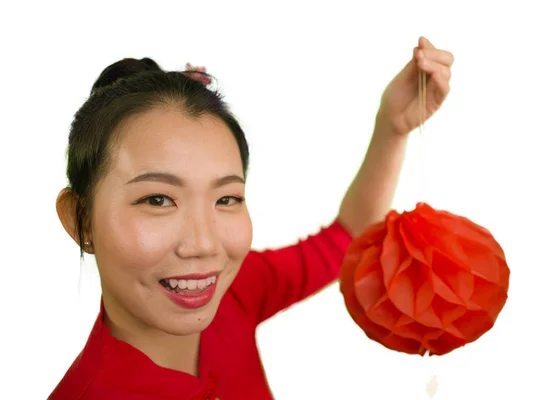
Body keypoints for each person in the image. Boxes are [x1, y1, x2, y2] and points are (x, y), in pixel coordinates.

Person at [49, 37, 454, 399]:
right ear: (80, 219)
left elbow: (343, 240)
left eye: (226, 198)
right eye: (157, 199)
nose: (204, 245)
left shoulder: (235, 295)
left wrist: (392, 127)